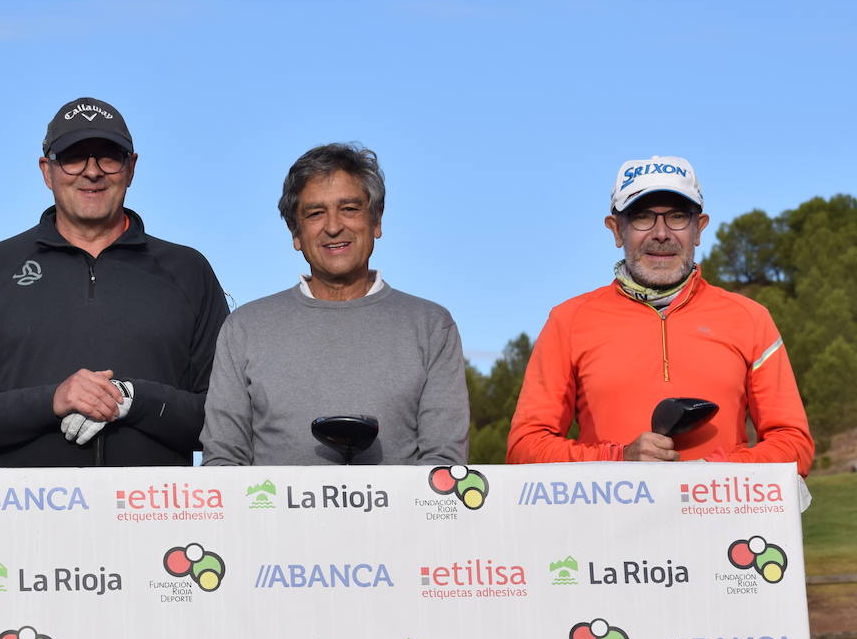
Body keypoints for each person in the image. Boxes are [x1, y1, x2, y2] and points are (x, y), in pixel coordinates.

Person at [0, 97, 229, 466]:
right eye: (73, 157)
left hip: (152, 517)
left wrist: (134, 399)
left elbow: (225, 420)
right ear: (46, 170)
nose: (92, 172)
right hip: (21, 517)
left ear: (131, 168)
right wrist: (52, 401)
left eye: (109, 155)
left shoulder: (188, 271)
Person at [507, 155, 814, 473]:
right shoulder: (567, 321)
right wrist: (620, 458)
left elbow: (794, 444)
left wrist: (710, 474)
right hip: (608, 520)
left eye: (678, 217)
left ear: (699, 228)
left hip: (722, 518)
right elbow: (525, 447)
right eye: (642, 217)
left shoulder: (751, 318)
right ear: (616, 230)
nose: (661, 233)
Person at [200, 143, 469, 466]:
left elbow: (443, 464)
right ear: (295, 233)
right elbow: (223, 461)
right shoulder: (244, 328)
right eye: (315, 213)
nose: (332, 226)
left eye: (350, 209)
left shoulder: (431, 326)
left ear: (377, 220)